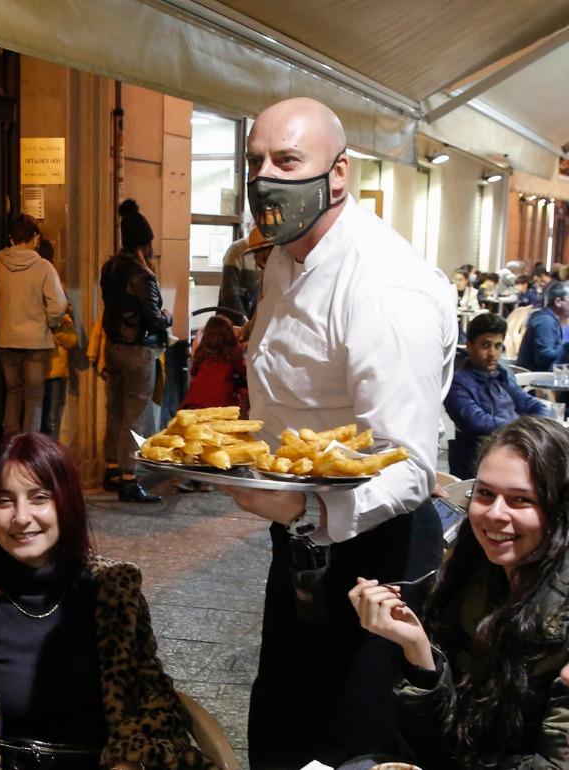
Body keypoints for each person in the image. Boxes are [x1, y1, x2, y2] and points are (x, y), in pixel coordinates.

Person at [224, 98, 454, 769]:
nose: (266, 178)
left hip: (375, 544)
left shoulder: (384, 284)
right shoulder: (282, 260)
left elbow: (409, 465)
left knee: (356, 739)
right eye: (255, 161)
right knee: (282, 728)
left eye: (287, 161)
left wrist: (303, 505)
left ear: (338, 174)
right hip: (297, 536)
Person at [0, 432, 212, 770]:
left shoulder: (113, 589)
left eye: (38, 497)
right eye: (3, 501)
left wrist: (129, 761)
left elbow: (154, 701)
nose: (21, 516)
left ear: (66, 502)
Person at [351, 417, 569, 768]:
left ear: (559, 508)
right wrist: (419, 652)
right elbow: (437, 750)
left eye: (520, 500)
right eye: (485, 494)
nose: (495, 514)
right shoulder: (468, 577)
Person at [99, 199, 173, 503]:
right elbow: (154, 319)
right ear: (145, 242)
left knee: (115, 409)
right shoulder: (143, 275)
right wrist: (168, 317)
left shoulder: (110, 267)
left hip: (113, 346)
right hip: (138, 350)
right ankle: (129, 480)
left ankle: (113, 469)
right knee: (136, 414)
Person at [445, 313, 548, 479]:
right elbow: (480, 423)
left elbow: (528, 403)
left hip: (517, 451)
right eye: (486, 345)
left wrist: (542, 418)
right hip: (480, 461)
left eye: (498, 346)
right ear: (469, 346)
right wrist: (525, 426)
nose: (493, 353)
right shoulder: (458, 383)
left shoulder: (501, 374)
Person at [0, 214, 68, 436]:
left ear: (11, 238)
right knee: (34, 394)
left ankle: (10, 440)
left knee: (13, 391)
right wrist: (50, 323)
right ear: (35, 238)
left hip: (6, 337)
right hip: (36, 340)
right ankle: (29, 443)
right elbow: (58, 305)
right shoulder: (43, 266)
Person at [37, 236, 78, 442]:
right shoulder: (55, 284)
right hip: (51, 363)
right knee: (48, 418)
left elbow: (69, 335)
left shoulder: (56, 286)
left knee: (48, 418)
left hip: (52, 363)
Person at [181, 315, 246, 411]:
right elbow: (243, 370)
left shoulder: (202, 351)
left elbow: (193, 372)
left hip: (193, 401)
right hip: (218, 403)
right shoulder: (232, 352)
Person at [516, 281, 569, 371]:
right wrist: (566, 348)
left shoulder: (551, 319)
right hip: (533, 380)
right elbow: (544, 358)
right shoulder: (545, 321)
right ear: (558, 302)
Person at [217, 226, 268, 318]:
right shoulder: (235, 250)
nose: (256, 260)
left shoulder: (273, 258)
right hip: (230, 317)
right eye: (255, 256)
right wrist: (242, 321)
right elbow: (230, 293)